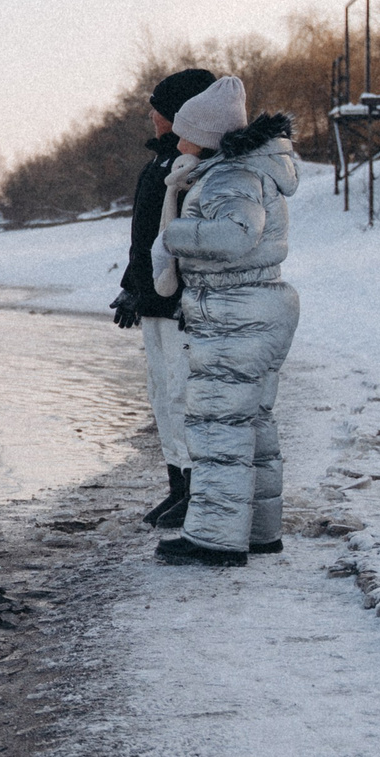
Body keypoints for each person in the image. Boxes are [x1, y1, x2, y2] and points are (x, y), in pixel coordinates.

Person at [150, 76, 302, 567]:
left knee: (218, 424)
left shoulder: (229, 177)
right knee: (250, 423)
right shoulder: (241, 170)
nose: (177, 137)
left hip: (235, 308)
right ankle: (258, 531)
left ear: (208, 134)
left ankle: (216, 537)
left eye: (186, 128)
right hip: (254, 304)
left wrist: (175, 233)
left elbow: (236, 235)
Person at [114, 68, 217, 527]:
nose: (151, 115)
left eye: (158, 107)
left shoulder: (194, 168)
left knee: (181, 395)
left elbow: (186, 243)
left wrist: (181, 297)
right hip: (152, 301)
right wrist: (130, 288)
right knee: (160, 395)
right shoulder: (158, 165)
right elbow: (144, 241)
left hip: (179, 305)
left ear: (181, 112)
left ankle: (196, 490)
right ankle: (177, 485)